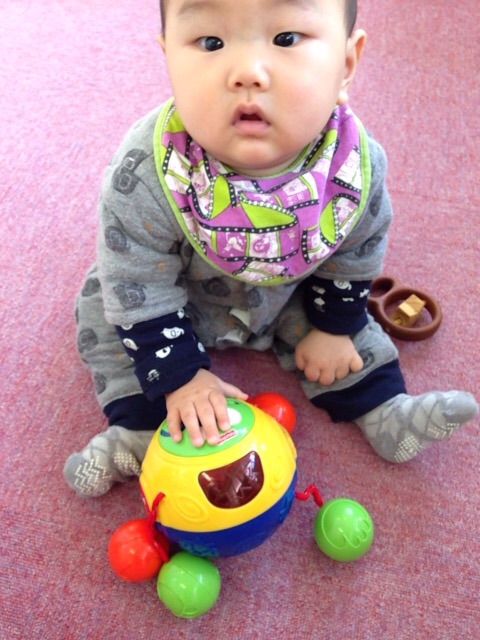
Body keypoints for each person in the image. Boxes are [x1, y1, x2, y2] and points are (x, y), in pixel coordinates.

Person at [64, 0, 478, 497]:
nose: (247, 72)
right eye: (211, 42)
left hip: (291, 292)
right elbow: (136, 275)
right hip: (177, 300)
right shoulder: (149, 171)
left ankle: (385, 409)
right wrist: (179, 376)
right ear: (169, 57)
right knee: (106, 308)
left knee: (348, 334)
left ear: (346, 63)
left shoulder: (350, 166)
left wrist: (333, 325)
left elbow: (357, 247)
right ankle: (138, 428)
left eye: (286, 39)